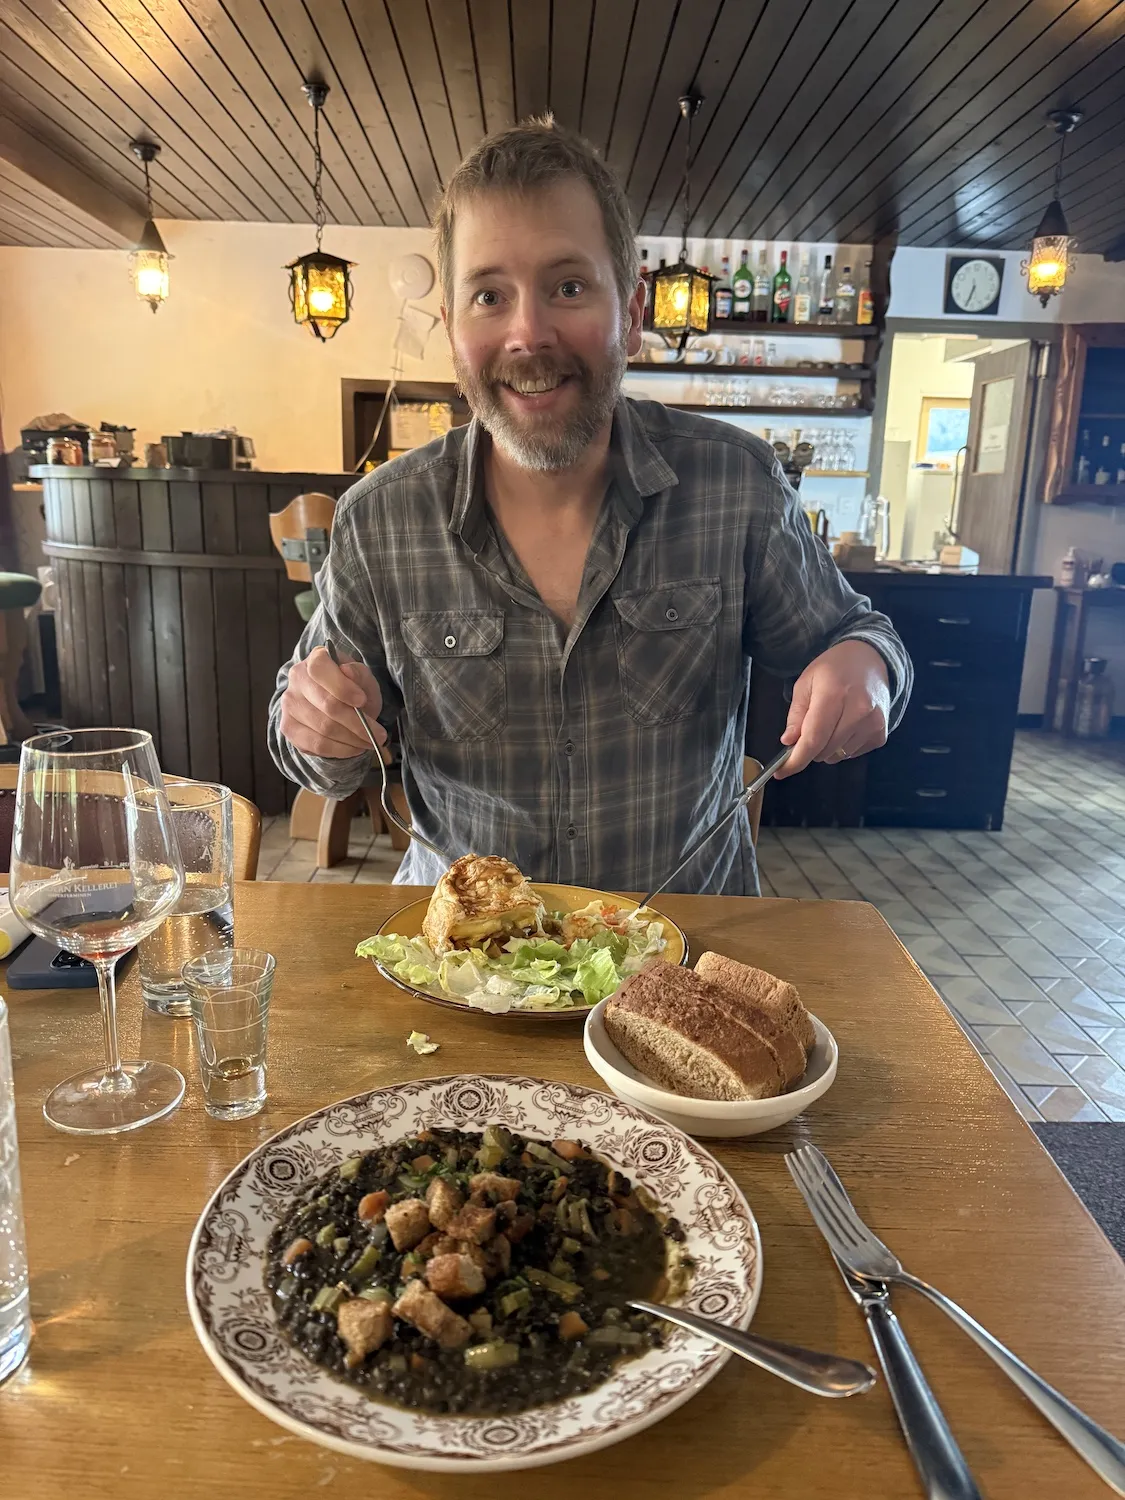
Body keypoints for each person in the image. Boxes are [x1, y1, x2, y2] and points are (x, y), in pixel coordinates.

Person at [269, 118, 911, 895]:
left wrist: (867, 666)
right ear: (452, 331)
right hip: (463, 965)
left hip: (677, 948)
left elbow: (858, 633)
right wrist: (319, 729)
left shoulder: (734, 482)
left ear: (630, 311)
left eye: (567, 287)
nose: (527, 333)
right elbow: (308, 745)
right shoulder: (380, 520)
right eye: (488, 295)